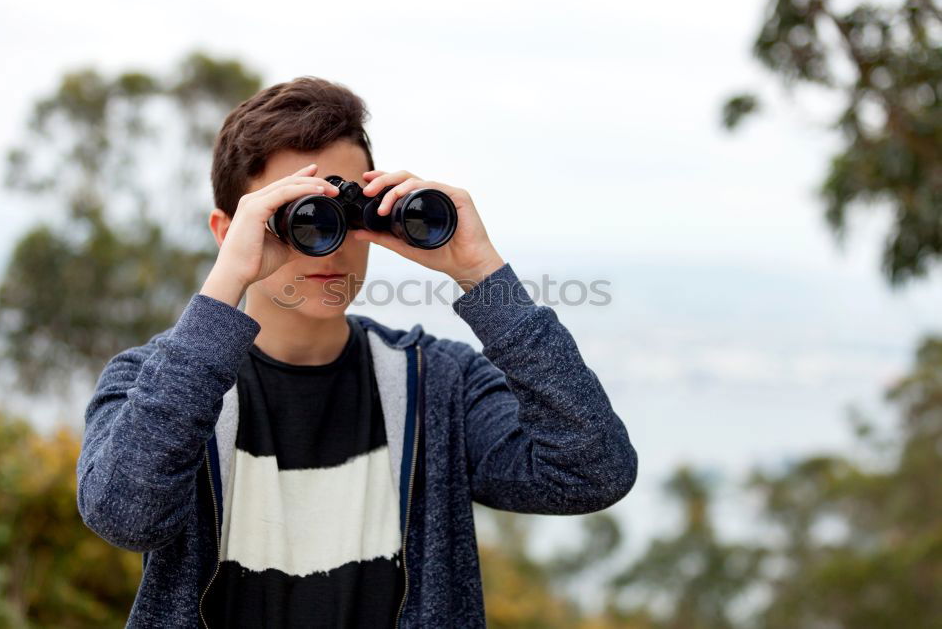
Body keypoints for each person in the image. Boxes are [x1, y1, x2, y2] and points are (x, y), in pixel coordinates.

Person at [76, 75, 638, 628]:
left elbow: (592, 472)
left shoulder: (439, 383)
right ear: (228, 231)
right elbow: (126, 515)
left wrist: (480, 271)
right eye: (298, 212)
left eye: (344, 212)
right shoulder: (156, 382)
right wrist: (223, 287)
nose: (329, 240)